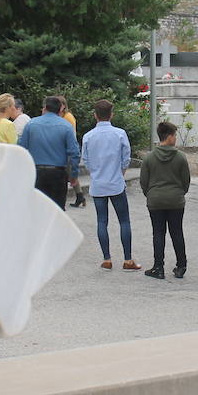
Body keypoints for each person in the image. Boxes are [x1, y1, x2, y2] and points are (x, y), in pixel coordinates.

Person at [81, 99, 138, 271]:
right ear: (111, 114)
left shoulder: (88, 136)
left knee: (101, 221)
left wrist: (95, 173)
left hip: (98, 184)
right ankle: (128, 259)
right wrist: (121, 172)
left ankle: (107, 258)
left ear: (95, 115)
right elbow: (126, 157)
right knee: (124, 221)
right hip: (116, 183)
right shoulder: (120, 134)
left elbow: (87, 160)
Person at [139, 120, 191, 280]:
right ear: (168, 137)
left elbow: (144, 181)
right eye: (174, 135)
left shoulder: (149, 158)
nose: (175, 138)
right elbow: (186, 181)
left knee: (158, 233)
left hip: (155, 200)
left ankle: (158, 267)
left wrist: (151, 194)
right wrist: (179, 193)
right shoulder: (181, 158)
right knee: (177, 232)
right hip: (176, 200)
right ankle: (181, 266)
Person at [18, 96, 80, 209]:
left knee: (36, 210)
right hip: (58, 174)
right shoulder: (66, 127)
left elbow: (21, 148)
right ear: (60, 110)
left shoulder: (31, 124)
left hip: (36, 172)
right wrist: (73, 175)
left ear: (45, 108)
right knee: (58, 211)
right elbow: (74, 153)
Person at [57, 95, 87, 208]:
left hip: (68, 148)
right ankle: (80, 196)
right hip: (64, 148)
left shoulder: (68, 117)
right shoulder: (61, 116)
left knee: (68, 174)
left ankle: (77, 197)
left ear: (63, 105)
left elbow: (70, 134)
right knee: (70, 174)